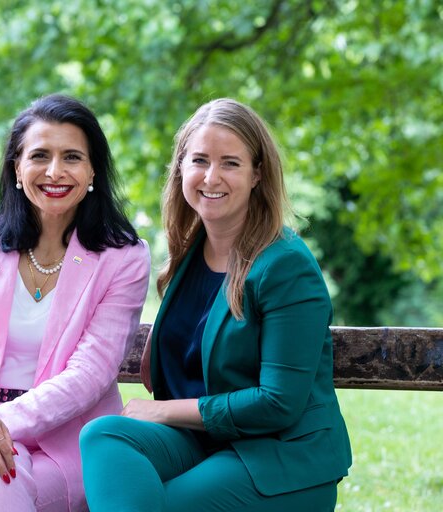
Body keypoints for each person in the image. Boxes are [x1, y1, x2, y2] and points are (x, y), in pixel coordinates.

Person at [80, 98, 352, 511]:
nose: (211, 176)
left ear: (257, 173)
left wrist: (167, 411)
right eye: (199, 160)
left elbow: (278, 402)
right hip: (207, 443)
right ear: (181, 168)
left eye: (230, 163)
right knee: (102, 436)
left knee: (163, 505)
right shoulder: (189, 254)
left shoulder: (286, 266)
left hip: (279, 458)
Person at [0, 94, 150, 512]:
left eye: (72, 157)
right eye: (40, 155)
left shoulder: (124, 258)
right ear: (17, 168)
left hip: (65, 447)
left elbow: (90, 374)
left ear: (93, 169)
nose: (55, 171)